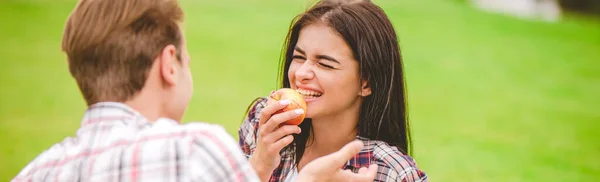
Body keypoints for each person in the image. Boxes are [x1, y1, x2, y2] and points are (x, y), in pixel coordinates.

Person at [11, 0, 378, 181]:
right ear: (169, 64)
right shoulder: (193, 152)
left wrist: (261, 163)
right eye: (187, 57)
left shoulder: (35, 172)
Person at [239, 0, 428, 181]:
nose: (301, 73)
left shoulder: (391, 172)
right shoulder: (264, 123)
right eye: (298, 57)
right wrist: (260, 166)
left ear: (366, 83)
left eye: (324, 64)